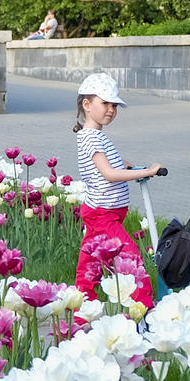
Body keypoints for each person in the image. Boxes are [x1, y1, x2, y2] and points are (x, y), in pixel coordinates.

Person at [73, 72, 162, 311]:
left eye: (114, 105)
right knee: (131, 261)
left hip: (103, 212)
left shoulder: (95, 136)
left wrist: (131, 167)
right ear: (87, 104)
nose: (111, 110)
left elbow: (113, 164)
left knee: (90, 265)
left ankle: (82, 312)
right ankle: (143, 309)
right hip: (103, 214)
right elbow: (109, 173)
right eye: (105, 103)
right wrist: (147, 172)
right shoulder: (91, 138)